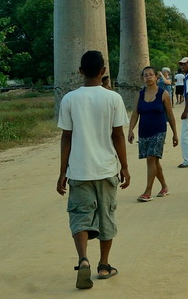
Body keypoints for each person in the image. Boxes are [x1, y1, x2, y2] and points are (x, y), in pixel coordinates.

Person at [56, 50, 130, 289]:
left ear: (80, 72)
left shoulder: (69, 99)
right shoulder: (113, 98)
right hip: (106, 168)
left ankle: (83, 259)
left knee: (79, 216)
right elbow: (118, 135)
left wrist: (62, 171)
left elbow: (66, 138)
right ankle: (104, 265)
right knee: (106, 216)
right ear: (103, 71)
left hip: (79, 169)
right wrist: (125, 167)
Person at [127, 66, 179, 202]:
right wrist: (130, 130)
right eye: (145, 75)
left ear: (156, 77)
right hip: (144, 131)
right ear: (142, 78)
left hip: (159, 131)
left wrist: (175, 134)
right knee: (154, 161)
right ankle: (164, 186)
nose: (148, 77)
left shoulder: (163, 94)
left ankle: (147, 192)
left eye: (151, 75)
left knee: (151, 159)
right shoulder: (140, 94)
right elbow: (135, 114)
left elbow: (170, 115)